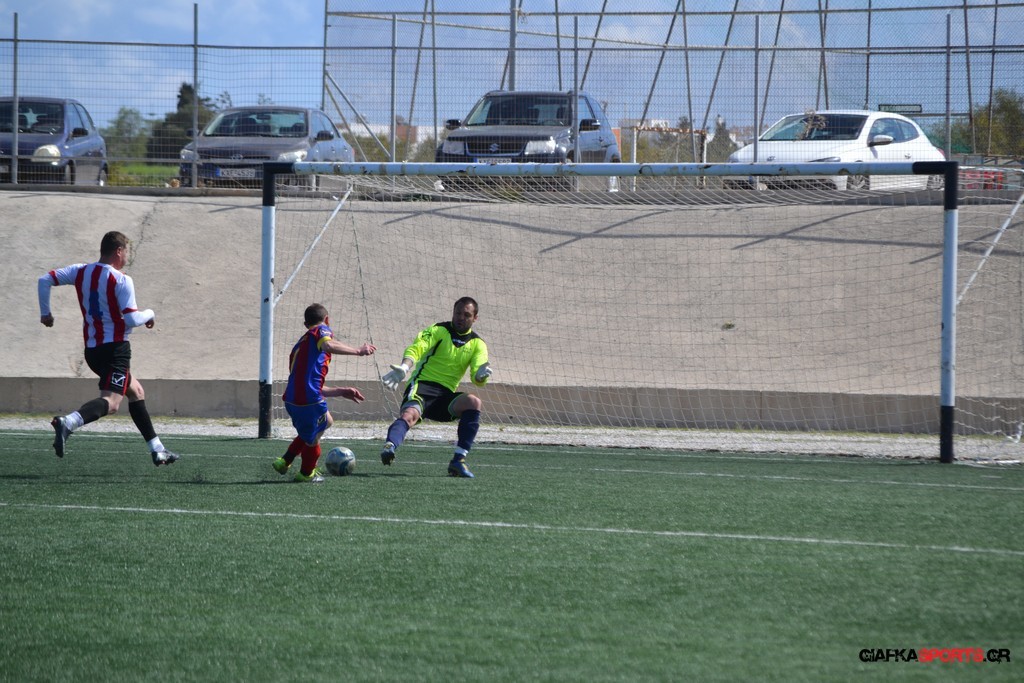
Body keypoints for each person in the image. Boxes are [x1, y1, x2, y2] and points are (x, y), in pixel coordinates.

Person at [38, 231, 179, 466]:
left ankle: (158, 450)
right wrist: (151, 313)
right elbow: (132, 319)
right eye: (127, 252)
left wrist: (46, 313)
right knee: (112, 403)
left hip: (92, 351)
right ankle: (68, 422)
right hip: (115, 351)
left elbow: (44, 280)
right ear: (118, 251)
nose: (127, 258)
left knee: (136, 391)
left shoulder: (80, 271)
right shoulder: (121, 279)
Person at [380, 296, 492, 478]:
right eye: (458, 313)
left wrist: (480, 376)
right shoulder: (439, 330)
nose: (461, 317)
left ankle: (458, 461)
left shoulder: (478, 344)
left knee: (474, 402)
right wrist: (405, 367)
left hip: (445, 397)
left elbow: (478, 373)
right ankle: (390, 446)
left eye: (466, 315)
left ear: (475, 318)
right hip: (422, 387)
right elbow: (418, 347)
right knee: (409, 416)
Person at [274, 303, 376, 482]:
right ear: (326, 320)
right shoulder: (320, 330)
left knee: (326, 422)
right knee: (313, 438)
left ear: (305, 324)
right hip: (309, 400)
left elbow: (308, 383)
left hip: (292, 399)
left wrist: (341, 391)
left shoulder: (300, 346)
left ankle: (285, 461)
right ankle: (306, 474)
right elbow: (328, 345)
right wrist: (358, 351)